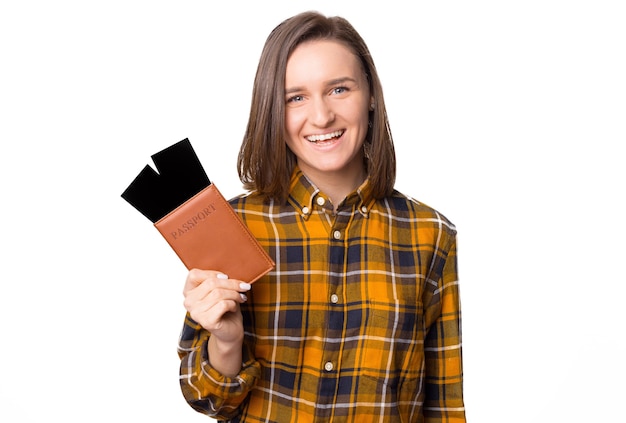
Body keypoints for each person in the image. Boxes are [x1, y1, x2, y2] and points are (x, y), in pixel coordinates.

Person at [178, 10, 466, 422]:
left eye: (338, 89)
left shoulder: (429, 235)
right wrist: (225, 340)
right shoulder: (232, 225)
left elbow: (445, 407)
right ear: (273, 111)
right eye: (296, 97)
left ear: (370, 96)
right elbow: (208, 399)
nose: (321, 116)